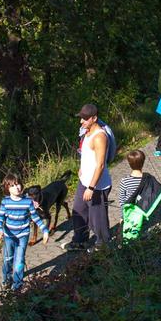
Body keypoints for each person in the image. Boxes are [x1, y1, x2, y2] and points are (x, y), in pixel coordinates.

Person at [64, 104, 113, 252]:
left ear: (94, 118)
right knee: (79, 211)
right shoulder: (87, 132)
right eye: (81, 118)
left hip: (97, 185)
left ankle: (103, 245)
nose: (81, 121)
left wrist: (91, 187)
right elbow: (86, 154)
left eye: (85, 119)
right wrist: (81, 168)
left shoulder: (99, 137)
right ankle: (80, 241)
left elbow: (100, 165)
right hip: (84, 181)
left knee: (98, 218)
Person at [0, 173, 49, 290]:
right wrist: (0, 229)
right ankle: (7, 279)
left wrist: (45, 230)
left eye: (18, 184)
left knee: (19, 260)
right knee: (8, 259)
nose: (17, 187)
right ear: (7, 188)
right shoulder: (5, 202)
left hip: (23, 236)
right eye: (13, 185)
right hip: (9, 236)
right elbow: (0, 218)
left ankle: (17, 285)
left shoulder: (28, 201)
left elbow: (35, 217)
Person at [118, 150, 161, 242]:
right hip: (145, 210)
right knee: (144, 229)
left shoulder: (125, 181)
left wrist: (123, 216)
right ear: (143, 162)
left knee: (132, 232)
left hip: (131, 213)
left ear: (129, 164)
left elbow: (122, 200)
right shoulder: (149, 178)